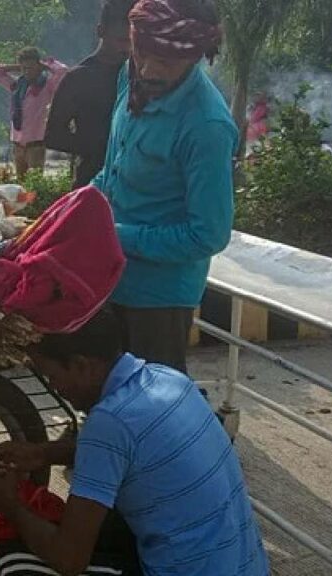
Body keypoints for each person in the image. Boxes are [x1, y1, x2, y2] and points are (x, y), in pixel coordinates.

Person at [0, 309, 269, 576]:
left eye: (52, 376)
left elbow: (69, 559)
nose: (53, 387)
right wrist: (44, 454)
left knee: (11, 562)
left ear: (81, 365)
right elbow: (132, 453)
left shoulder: (109, 422)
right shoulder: (169, 379)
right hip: (246, 567)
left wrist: (10, 506)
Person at [90, 0, 238, 374]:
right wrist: (79, 208)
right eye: (143, 54)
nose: (150, 69)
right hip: (109, 275)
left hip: (159, 299)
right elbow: (113, 170)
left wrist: (118, 235)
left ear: (196, 57)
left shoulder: (206, 126)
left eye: (166, 63)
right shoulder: (131, 77)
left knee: (152, 407)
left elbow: (209, 234)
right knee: (103, 392)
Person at [45, 0, 136, 190]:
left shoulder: (140, 75)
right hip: (91, 181)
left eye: (132, 41)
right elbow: (53, 135)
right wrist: (102, 145)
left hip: (134, 185)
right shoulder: (78, 78)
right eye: (121, 40)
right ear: (101, 31)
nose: (126, 48)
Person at [0, 47, 70, 178]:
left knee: (34, 184)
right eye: (24, 68)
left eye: (30, 67)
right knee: (21, 184)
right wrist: (15, 67)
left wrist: (45, 65)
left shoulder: (47, 86)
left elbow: (62, 71)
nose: (27, 71)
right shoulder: (16, 85)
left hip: (35, 144)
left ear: (38, 66)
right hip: (18, 144)